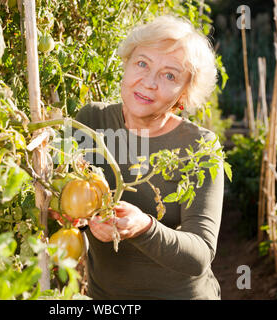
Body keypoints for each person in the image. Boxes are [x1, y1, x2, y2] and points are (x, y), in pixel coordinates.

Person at [68, 14, 224, 300]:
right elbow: (64, 200)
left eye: (170, 75)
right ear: (126, 64)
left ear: (183, 94)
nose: (149, 82)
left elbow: (200, 254)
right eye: (142, 63)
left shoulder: (200, 146)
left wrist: (145, 227)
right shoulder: (90, 120)